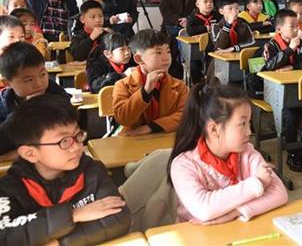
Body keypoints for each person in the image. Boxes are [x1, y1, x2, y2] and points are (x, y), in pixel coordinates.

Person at [0, 96, 130, 245]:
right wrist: (74, 215)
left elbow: (119, 219)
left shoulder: (92, 171)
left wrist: (58, 243)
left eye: (77, 135)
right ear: (30, 154)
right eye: (64, 141)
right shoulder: (9, 189)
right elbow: (5, 237)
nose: (76, 147)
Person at [169, 84, 287, 223]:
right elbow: (204, 209)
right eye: (242, 124)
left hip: (239, 230)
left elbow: (280, 193)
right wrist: (257, 183)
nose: (249, 131)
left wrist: (237, 212)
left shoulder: (247, 152)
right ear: (214, 130)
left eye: (249, 123)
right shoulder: (184, 165)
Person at [261, 9, 302, 171]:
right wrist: (289, 50)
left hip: (297, 91)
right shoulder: (270, 45)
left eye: (297, 26)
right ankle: (292, 152)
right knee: (291, 115)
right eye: (292, 26)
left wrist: (293, 66)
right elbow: (269, 66)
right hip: (276, 92)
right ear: (279, 29)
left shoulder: (300, 43)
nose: (296, 29)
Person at [112, 29, 187, 136]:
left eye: (168, 51)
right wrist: (145, 91)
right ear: (139, 59)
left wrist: (151, 127)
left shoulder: (179, 85)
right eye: (158, 52)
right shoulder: (123, 85)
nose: (166, 58)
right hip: (132, 140)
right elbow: (122, 118)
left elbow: (185, 115)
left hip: (166, 138)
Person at [0, 42, 70, 156]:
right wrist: (23, 113)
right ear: (8, 83)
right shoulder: (3, 105)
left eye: (42, 74)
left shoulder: (54, 93)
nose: (39, 83)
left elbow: (69, 126)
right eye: (29, 80)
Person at [159, 0, 196, 78]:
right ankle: (172, 77)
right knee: (173, 53)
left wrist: (188, 20)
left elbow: (196, 12)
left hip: (188, 28)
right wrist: (181, 21)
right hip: (170, 30)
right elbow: (167, 14)